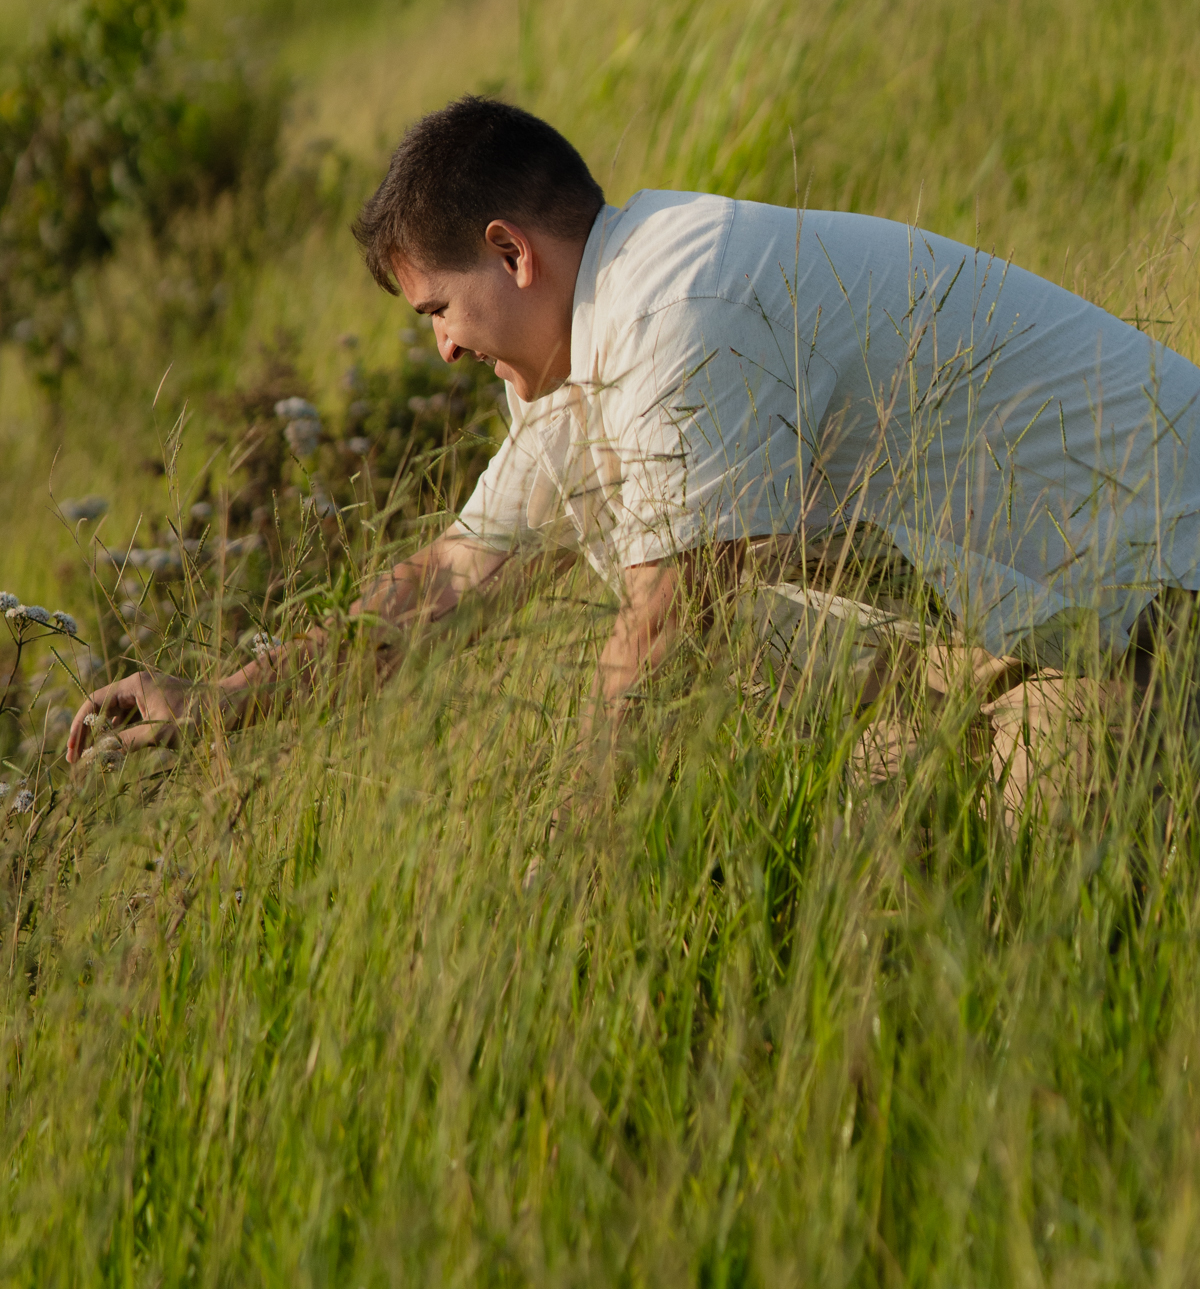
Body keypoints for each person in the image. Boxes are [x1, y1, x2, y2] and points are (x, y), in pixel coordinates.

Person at [66, 96, 1200, 791]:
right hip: (1090, 622)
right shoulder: (591, 349)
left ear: (511, 253)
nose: (445, 353)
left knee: (989, 821)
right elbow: (446, 582)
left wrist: (575, 885)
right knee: (863, 804)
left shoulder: (675, 302)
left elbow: (663, 628)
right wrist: (224, 695)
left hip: (1169, 602)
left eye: (436, 312)